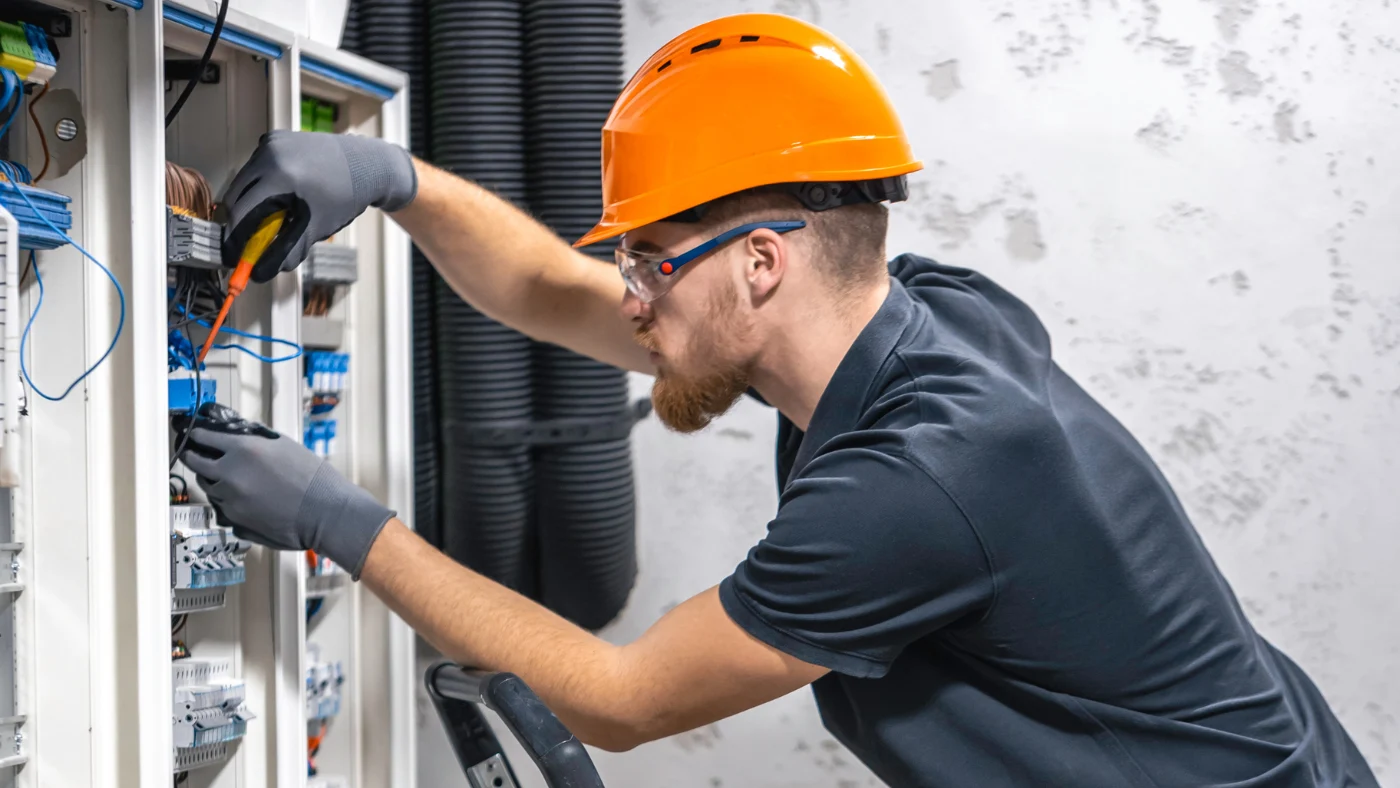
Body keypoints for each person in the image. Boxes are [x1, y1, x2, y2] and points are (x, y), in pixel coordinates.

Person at [183, 13, 1379, 788]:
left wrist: (342, 520)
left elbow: (620, 696)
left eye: (651, 258)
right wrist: (392, 179)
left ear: (762, 261)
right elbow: (554, 288)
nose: (631, 297)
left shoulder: (922, 477)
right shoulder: (911, 311)